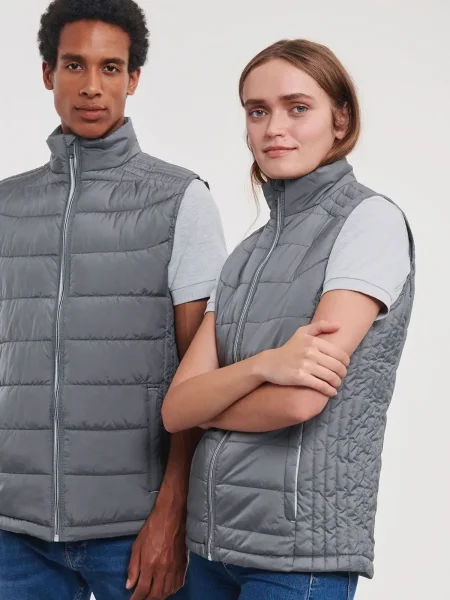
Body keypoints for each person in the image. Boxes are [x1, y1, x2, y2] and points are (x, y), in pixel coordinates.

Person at [161, 39, 414, 599]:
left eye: (297, 108)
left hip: (297, 555)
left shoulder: (368, 222)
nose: (274, 127)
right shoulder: (246, 255)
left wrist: (210, 404)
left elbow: (299, 402)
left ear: (340, 118)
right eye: (257, 111)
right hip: (209, 545)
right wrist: (265, 366)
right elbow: (176, 410)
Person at [0, 1, 227, 599]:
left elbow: (202, 375)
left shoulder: (180, 200)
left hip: (137, 530)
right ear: (48, 73)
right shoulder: (6, 207)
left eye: (110, 67)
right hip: (14, 536)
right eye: (74, 65)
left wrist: (173, 512)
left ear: (134, 78)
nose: (91, 87)